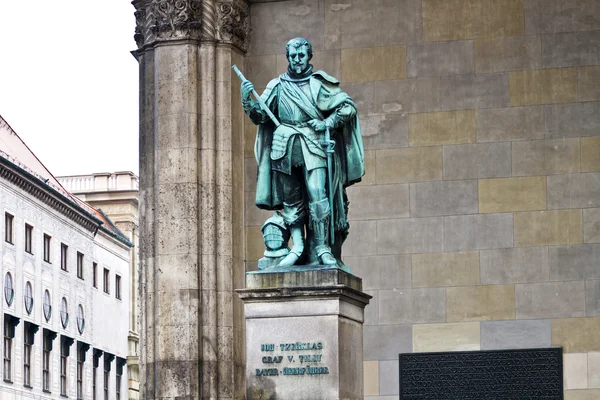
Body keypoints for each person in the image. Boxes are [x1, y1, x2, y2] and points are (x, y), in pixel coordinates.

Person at [241, 37, 364, 268]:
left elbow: (347, 107)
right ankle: (297, 247)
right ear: (287, 57)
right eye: (293, 56)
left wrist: (327, 123)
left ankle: (322, 247)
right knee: (291, 200)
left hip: (313, 141)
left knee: (318, 193)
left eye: (301, 55)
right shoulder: (277, 85)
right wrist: (247, 99)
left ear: (309, 56)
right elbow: (261, 115)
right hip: (284, 145)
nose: (297, 60)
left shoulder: (320, 83)